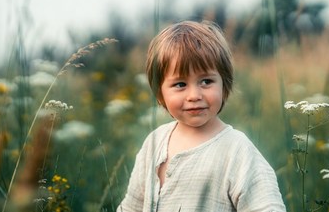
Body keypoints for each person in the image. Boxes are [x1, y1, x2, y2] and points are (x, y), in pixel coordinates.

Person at [117, 20, 286, 212]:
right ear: (159, 93)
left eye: (206, 81)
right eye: (180, 84)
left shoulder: (237, 150)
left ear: (224, 84)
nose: (194, 96)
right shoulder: (154, 142)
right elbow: (132, 207)